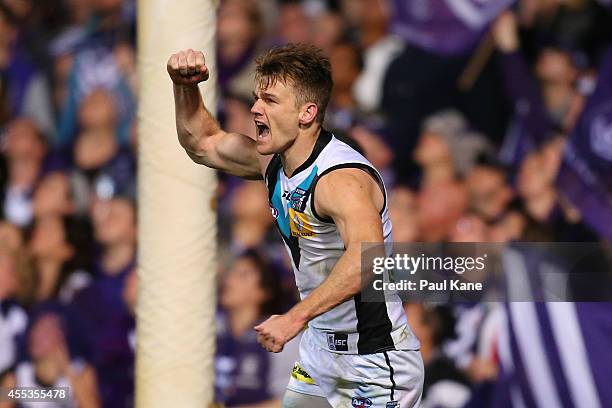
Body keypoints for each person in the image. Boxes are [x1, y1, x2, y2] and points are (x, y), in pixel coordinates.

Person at [167, 44, 423, 407]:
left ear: (307, 113)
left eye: (270, 100)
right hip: (320, 352)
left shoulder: (341, 179)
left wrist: (293, 319)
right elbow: (203, 143)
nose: (255, 108)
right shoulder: (271, 162)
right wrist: (184, 86)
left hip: (374, 360)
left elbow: (368, 260)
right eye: (257, 98)